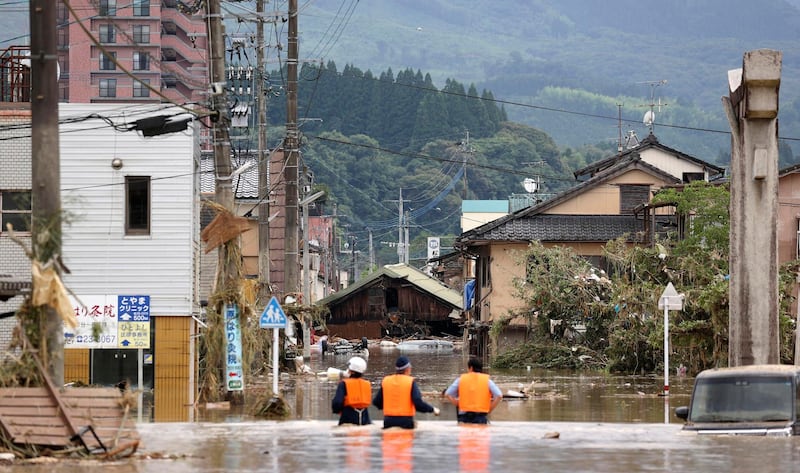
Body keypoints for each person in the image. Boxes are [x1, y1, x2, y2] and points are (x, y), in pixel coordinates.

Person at [372, 356, 440, 429]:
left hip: (388, 421)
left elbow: (376, 402)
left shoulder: (386, 381)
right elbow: (418, 403)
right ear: (407, 369)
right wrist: (432, 409)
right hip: (406, 422)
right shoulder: (410, 382)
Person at [444, 356, 502, 424]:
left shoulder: (461, 379)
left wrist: (457, 404)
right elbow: (499, 395)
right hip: (480, 416)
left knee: (465, 433)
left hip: (464, 416)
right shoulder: (487, 381)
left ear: (471, 368)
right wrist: (489, 409)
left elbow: (447, 394)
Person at [331, 356, 372, 425]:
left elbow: (337, 403)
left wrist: (336, 410)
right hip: (365, 417)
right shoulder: (367, 384)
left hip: (348, 416)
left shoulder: (344, 384)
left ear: (352, 371)